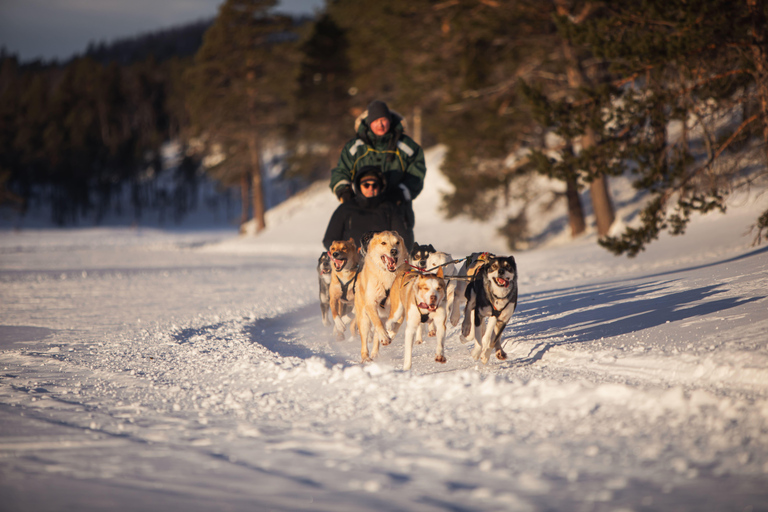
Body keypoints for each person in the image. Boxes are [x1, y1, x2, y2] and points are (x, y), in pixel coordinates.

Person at [329, 100, 426, 251]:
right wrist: (345, 193)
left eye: (383, 120)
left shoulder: (407, 147)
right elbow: (341, 171)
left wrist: (401, 192)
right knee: (360, 258)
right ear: (369, 123)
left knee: (400, 254)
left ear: (390, 120)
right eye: (375, 121)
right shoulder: (355, 148)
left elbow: (417, 174)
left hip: (396, 208)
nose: (380, 125)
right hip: (361, 211)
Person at [323, 166, 409, 251]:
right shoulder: (345, 208)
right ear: (359, 186)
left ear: (380, 186)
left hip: (382, 261)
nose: (370, 188)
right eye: (366, 185)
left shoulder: (391, 209)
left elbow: (403, 239)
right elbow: (329, 239)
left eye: (374, 185)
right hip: (351, 261)